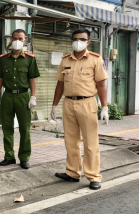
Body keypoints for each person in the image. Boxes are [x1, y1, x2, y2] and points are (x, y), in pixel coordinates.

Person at [51, 29, 109, 190]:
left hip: (87, 103)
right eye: (75, 39)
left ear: (88, 42)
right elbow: (60, 85)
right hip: (68, 103)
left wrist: (104, 107)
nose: (78, 42)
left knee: (90, 142)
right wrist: (54, 105)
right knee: (71, 141)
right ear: (71, 41)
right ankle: (72, 172)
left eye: (82, 39)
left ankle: (93, 176)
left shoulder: (95, 60)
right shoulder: (65, 60)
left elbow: (101, 85)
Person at [0, 29, 40, 169]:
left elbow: (32, 79)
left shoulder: (30, 59)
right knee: (7, 128)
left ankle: (24, 157)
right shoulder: (3, 59)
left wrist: (33, 96)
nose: (17, 41)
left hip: (23, 96)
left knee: (25, 128)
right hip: (7, 95)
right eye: (14, 38)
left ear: (25, 40)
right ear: (10, 40)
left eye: (20, 38)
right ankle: (9, 157)